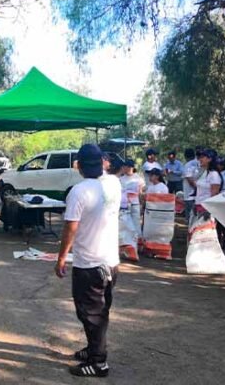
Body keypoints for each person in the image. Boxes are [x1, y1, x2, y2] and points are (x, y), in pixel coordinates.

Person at [55, 144, 121, 378]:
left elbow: (71, 227)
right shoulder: (114, 184)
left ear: (79, 165)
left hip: (90, 264)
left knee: (90, 313)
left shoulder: (79, 191)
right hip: (111, 262)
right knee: (100, 311)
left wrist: (62, 257)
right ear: (102, 162)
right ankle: (94, 349)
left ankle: (98, 362)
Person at [119, 159, 144, 237]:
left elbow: (140, 192)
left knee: (136, 222)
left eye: (126, 167)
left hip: (135, 203)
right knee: (125, 223)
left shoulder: (138, 178)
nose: (124, 168)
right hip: (124, 205)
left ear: (131, 167)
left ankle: (137, 239)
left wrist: (141, 204)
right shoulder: (121, 179)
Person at [194, 149, 221, 218]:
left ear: (209, 159)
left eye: (202, 157)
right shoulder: (205, 172)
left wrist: (209, 211)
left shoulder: (214, 174)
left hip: (206, 210)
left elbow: (214, 195)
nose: (200, 159)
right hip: (199, 207)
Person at [182, 148, 200, 221]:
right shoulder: (199, 163)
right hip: (199, 194)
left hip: (189, 194)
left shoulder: (188, 165)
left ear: (185, 156)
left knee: (190, 216)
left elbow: (190, 179)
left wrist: (196, 188)